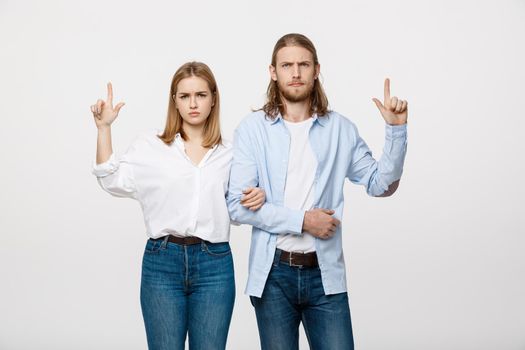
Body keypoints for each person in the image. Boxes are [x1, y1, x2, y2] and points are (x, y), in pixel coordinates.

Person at [227, 33, 408, 349]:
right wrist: (303, 221)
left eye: (303, 64)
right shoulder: (252, 130)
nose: (295, 73)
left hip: (325, 274)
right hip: (273, 277)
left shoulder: (341, 129)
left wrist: (396, 130)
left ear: (316, 69)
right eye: (287, 65)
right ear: (273, 71)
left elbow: (381, 186)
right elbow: (237, 207)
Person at [90, 61, 265, 350]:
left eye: (201, 95)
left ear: (213, 99)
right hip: (162, 261)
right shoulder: (151, 146)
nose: (193, 104)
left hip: (214, 264)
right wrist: (104, 129)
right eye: (184, 96)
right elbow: (111, 180)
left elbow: (238, 210)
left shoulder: (231, 153)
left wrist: (257, 198)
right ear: (175, 101)